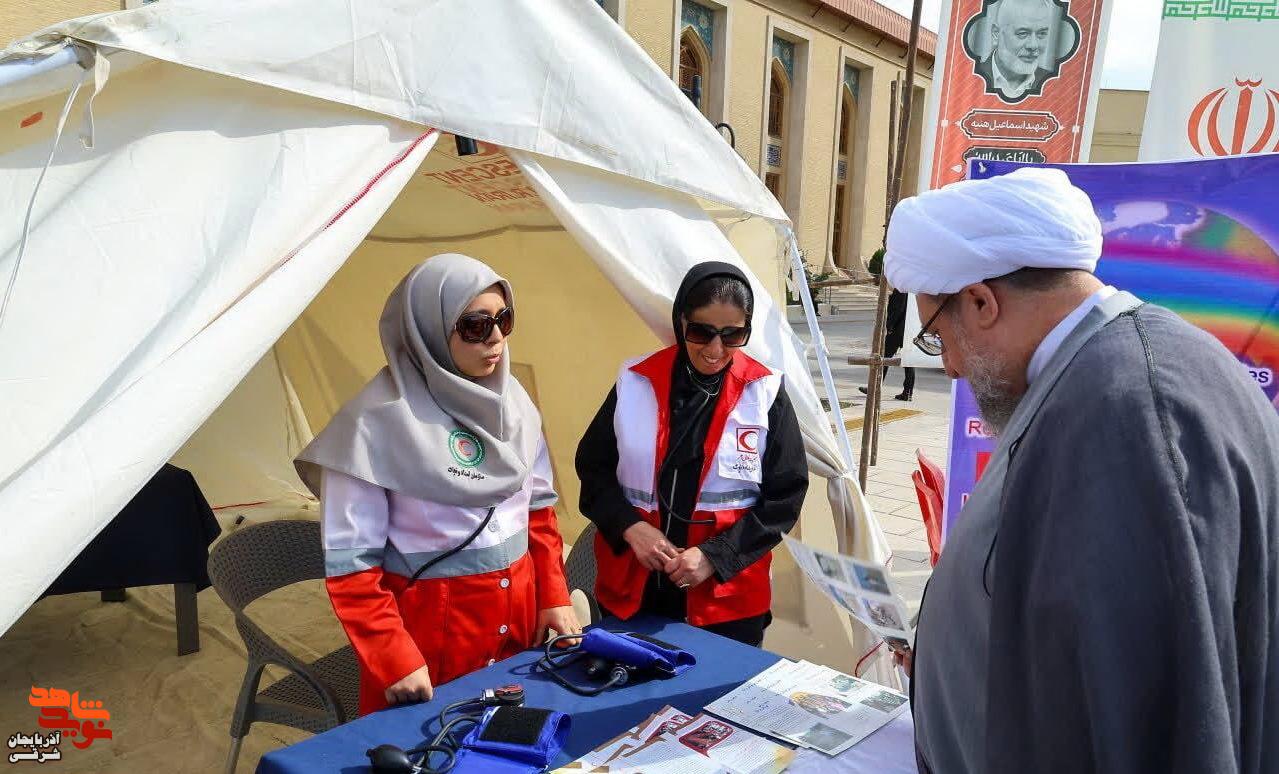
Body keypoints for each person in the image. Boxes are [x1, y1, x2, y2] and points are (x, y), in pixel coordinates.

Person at [884, 167, 1279, 773]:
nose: (954, 368)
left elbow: (1163, 724)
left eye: (939, 339)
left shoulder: (1136, 415)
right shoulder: (1088, 380)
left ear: (981, 301)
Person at [295, 254, 580, 715]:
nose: (496, 340)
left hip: (520, 622)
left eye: (504, 321)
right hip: (429, 641)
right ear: (427, 328)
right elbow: (352, 567)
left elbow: (539, 512)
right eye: (474, 326)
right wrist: (394, 658)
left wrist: (553, 592)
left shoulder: (516, 407)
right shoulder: (372, 428)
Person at [575, 262, 808, 647]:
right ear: (681, 322)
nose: (715, 350)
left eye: (733, 335)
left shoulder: (764, 392)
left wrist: (716, 556)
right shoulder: (635, 381)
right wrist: (631, 528)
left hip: (725, 600)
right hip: (636, 589)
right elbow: (593, 468)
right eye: (701, 332)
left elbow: (785, 498)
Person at [973, 0, 1055, 101]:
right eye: (1022, 33)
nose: (1033, 45)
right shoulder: (970, 80)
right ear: (996, 34)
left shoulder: (1054, 85)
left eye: (1041, 34)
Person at [859, 289, 915, 401]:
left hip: (898, 330)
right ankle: (908, 392)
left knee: (883, 358)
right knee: (908, 361)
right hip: (909, 329)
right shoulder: (912, 290)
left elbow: (897, 310)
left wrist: (890, 327)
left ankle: (875, 388)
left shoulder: (901, 289)